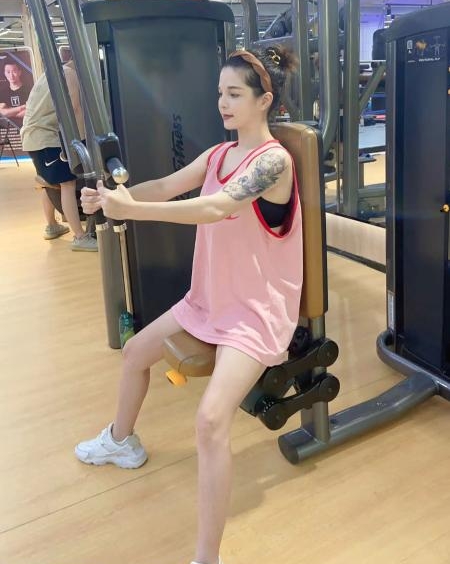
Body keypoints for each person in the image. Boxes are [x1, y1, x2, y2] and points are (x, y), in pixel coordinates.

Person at [75, 45, 303, 564]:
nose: (223, 103)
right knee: (135, 354)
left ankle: (206, 557)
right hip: (209, 298)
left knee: (210, 421)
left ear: (264, 101)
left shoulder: (272, 161)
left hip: (255, 312)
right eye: (220, 93)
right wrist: (113, 201)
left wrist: (133, 212)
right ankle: (121, 441)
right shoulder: (219, 155)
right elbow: (164, 186)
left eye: (235, 94)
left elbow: (217, 207)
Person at [21, 60, 97, 251]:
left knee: (49, 182)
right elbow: (75, 109)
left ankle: (52, 226)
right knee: (67, 184)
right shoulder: (70, 74)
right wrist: (82, 142)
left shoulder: (51, 71)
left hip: (34, 137)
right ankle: (80, 237)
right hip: (45, 137)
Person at [0, 58, 34, 127]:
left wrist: (9, 112)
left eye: (14, 71)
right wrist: (21, 108)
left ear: (19, 72)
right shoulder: (2, 93)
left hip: (29, 127)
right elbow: (2, 112)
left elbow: (30, 112)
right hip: (10, 130)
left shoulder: (30, 90)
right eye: (8, 72)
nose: (11, 75)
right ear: (4, 73)